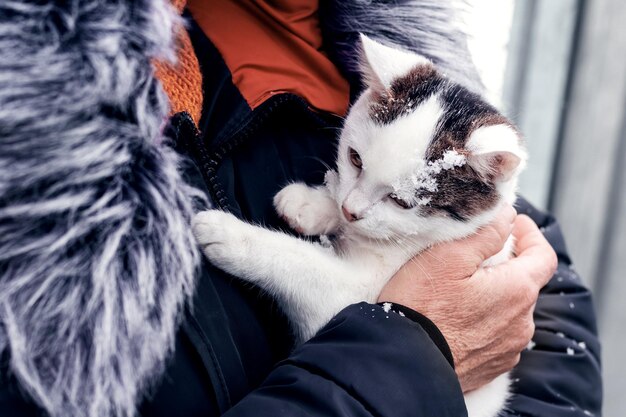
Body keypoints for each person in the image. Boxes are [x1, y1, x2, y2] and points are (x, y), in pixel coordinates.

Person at [0, 1, 602, 416]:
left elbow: (556, 304)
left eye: (388, 195)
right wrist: (418, 355)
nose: (354, 204)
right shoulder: (38, 117)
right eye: (355, 164)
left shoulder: (357, 43)